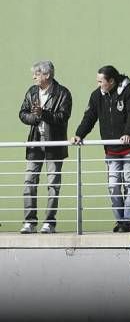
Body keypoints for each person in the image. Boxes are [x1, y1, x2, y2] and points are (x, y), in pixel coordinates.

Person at [71, 65, 130, 233]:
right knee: (113, 185)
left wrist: (128, 133)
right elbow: (89, 117)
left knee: (129, 184)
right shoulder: (97, 96)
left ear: (111, 81)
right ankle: (120, 220)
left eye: (101, 81)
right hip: (110, 149)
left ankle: (126, 221)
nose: (98, 85)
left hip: (129, 147)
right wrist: (79, 134)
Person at [18, 60, 72, 234]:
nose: (34, 77)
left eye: (37, 74)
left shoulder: (62, 93)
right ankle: (29, 221)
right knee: (29, 182)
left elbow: (63, 117)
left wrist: (44, 114)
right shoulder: (32, 91)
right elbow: (22, 113)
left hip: (54, 145)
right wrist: (35, 118)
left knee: (53, 185)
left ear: (47, 75)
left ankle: (49, 222)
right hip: (35, 143)